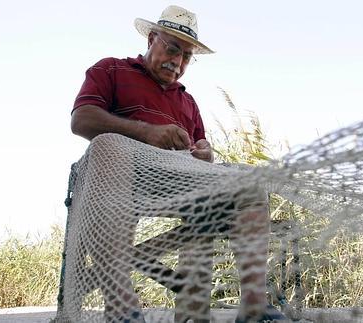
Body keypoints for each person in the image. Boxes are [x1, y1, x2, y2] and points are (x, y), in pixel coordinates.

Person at [70, 5, 287, 323]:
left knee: (248, 181)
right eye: (172, 49)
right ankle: (122, 305)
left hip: (182, 180)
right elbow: (82, 120)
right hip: (122, 176)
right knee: (108, 144)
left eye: (187, 56)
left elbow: (202, 149)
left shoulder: (187, 101)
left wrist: (203, 151)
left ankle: (254, 306)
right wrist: (146, 132)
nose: (178, 61)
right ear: (151, 40)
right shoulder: (111, 70)